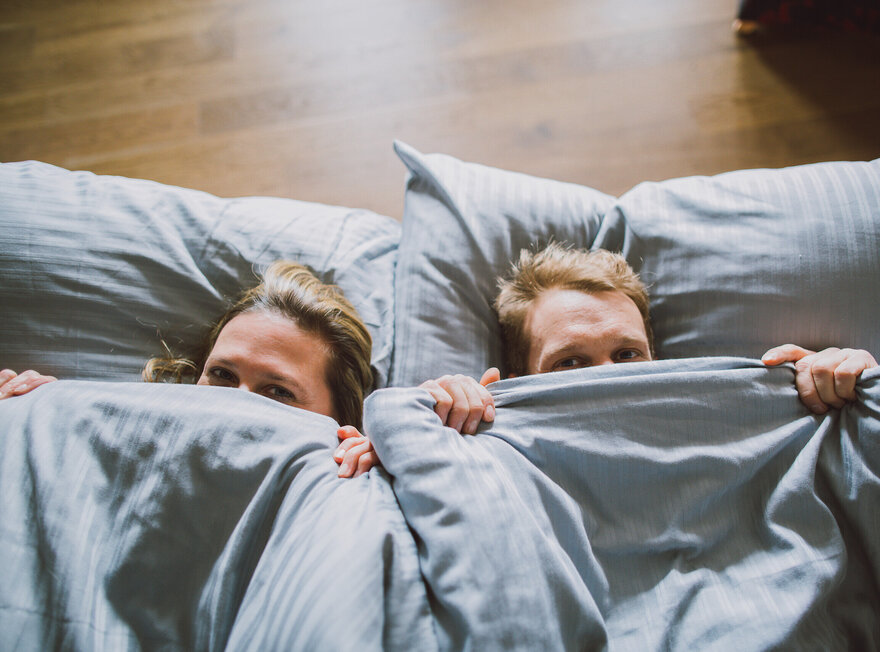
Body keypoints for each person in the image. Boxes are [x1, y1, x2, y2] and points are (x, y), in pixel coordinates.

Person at [419, 242, 878, 433]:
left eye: (626, 354)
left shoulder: (732, 415)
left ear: (657, 361)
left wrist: (848, 384)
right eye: (570, 363)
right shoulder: (493, 433)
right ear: (516, 382)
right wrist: (428, 417)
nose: (609, 379)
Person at [0, 261, 378, 478]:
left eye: (278, 391)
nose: (232, 405)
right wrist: (35, 421)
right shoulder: (110, 439)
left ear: (342, 420)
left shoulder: (354, 482)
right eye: (222, 375)